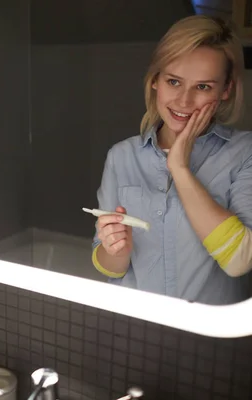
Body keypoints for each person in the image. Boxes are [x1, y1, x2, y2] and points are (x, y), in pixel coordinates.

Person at [91, 15, 252, 305]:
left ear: (225, 90)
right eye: (174, 81)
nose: (184, 102)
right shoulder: (121, 157)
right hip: (135, 327)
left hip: (208, 338)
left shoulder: (245, 153)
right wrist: (116, 250)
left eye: (203, 87)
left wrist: (179, 168)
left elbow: (239, 261)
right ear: (155, 80)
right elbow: (108, 266)